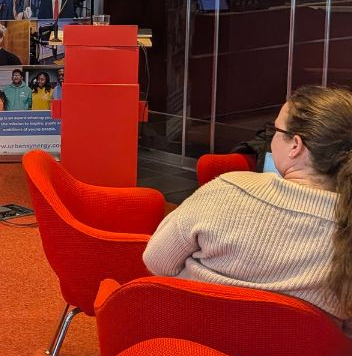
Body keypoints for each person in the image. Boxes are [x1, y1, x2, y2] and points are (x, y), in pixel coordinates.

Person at [143, 85, 352, 332]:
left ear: (296, 146)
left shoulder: (227, 189)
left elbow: (157, 261)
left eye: (275, 130)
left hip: (191, 343)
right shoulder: (343, 225)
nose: (271, 139)